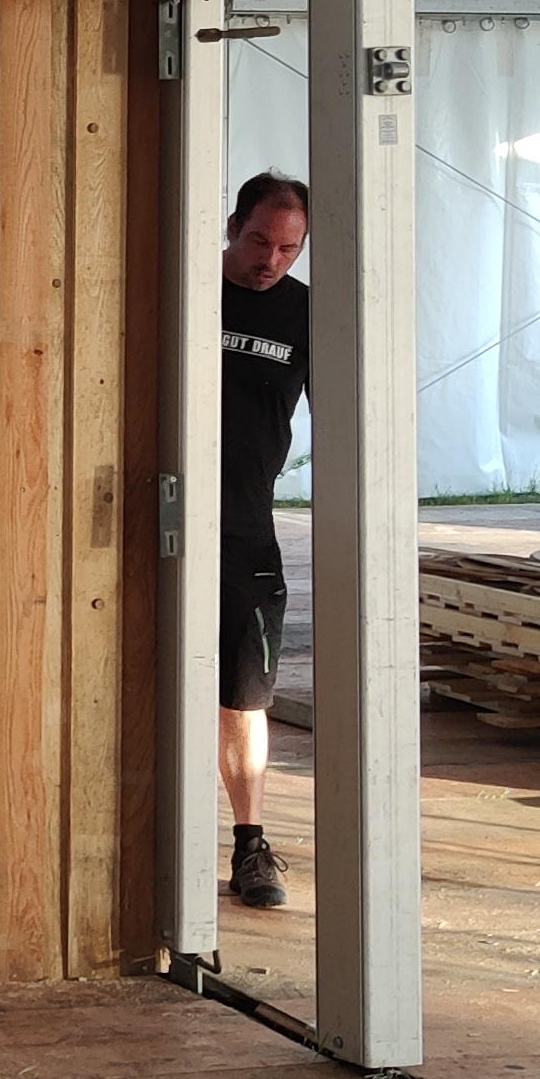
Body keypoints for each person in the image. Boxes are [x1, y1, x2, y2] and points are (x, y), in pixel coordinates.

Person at [218, 171, 311, 910]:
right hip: (160, 515)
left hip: (247, 531)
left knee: (245, 695)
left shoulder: (307, 314)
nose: (269, 261)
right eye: (258, 241)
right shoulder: (184, 292)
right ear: (231, 227)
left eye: (287, 249)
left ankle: (251, 846)